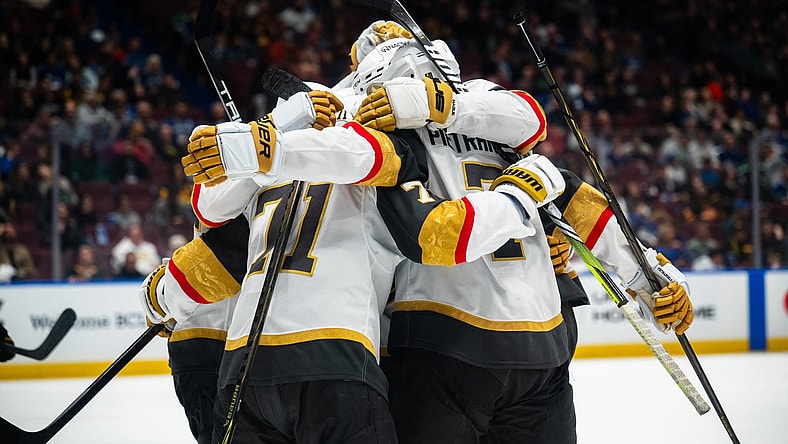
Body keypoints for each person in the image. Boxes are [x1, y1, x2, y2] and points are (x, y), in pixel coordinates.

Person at [143, 74, 567, 443]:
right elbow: (442, 235)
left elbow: (206, 232)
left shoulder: (256, 179)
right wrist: (521, 203)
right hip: (338, 361)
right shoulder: (381, 166)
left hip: (238, 365)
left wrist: (158, 298)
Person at [350, 30, 694, 443]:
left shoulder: (377, 128)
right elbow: (576, 198)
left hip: (441, 341)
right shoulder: (491, 118)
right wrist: (648, 276)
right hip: (540, 341)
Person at [0, 208, 36, 282]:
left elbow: (30, 269)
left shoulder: (22, 250)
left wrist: (16, 274)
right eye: (5, 227)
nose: (8, 230)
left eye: (11, 227)